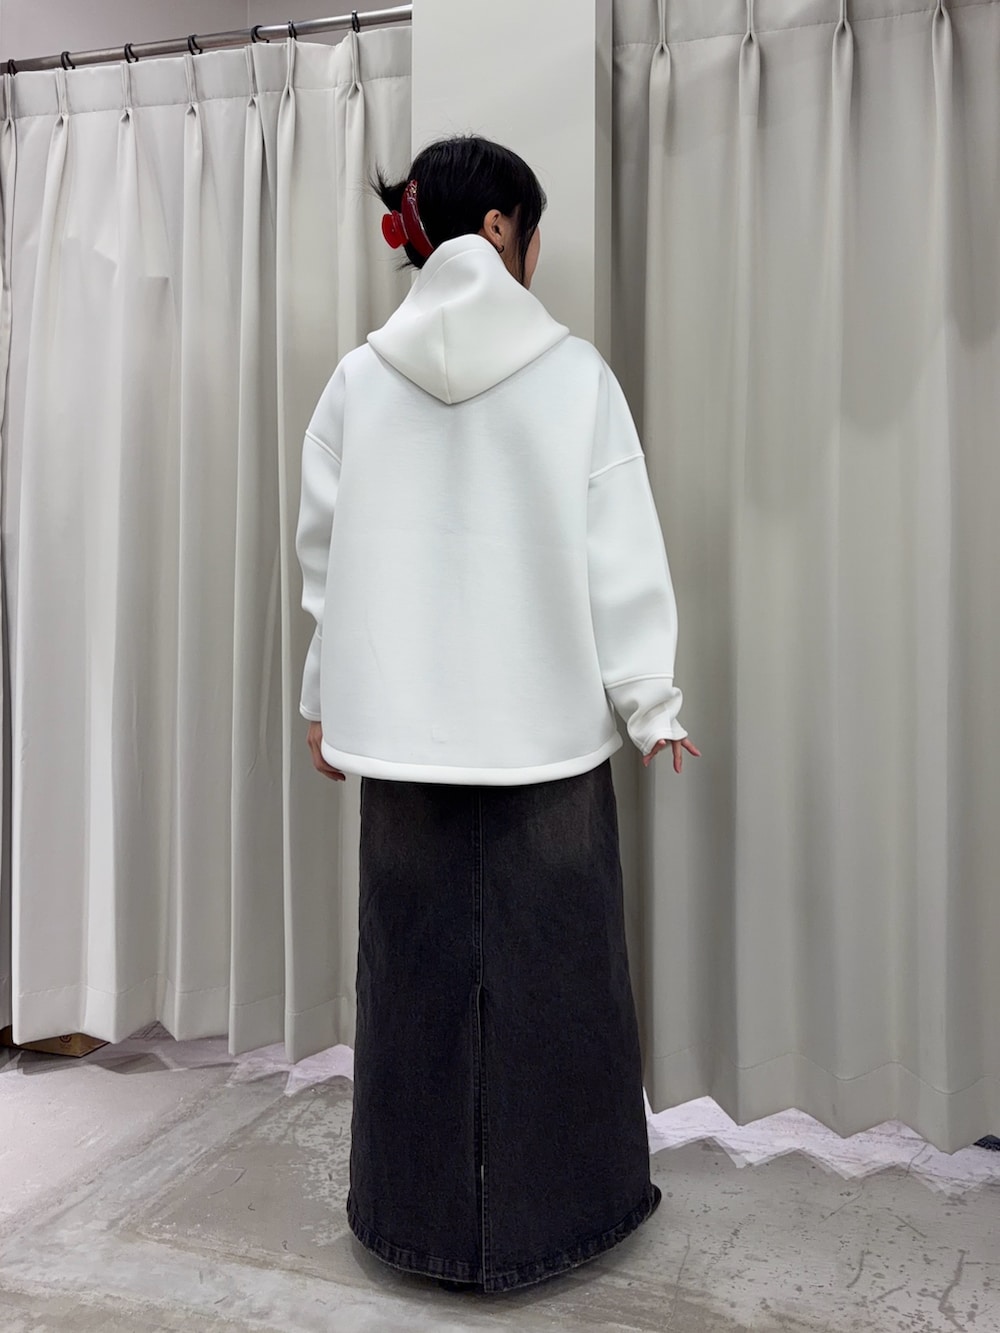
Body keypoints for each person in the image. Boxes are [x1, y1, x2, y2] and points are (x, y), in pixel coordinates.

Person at [295, 134, 700, 1296]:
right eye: (531, 234)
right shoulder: (574, 376)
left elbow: (325, 564)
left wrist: (323, 699)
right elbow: (619, 550)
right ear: (500, 229)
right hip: (546, 740)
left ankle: (407, 1218)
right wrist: (649, 700)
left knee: (413, 979)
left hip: (401, 741)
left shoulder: (357, 380)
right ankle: (565, 1216)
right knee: (558, 978)